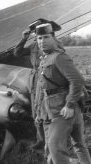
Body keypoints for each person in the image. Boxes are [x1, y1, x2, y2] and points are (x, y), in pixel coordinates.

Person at [34, 22, 91, 164]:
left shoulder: (59, 57)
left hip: (62, 110)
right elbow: (43, 88)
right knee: (77, 145)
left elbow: (77, 80)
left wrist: (70, 105)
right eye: (39, 38)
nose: (42, 41)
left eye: (46, 37)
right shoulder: (45, 59)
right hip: (52, 109)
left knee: (55, 147)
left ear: (53, 38)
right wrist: (38, 112)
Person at [13, 18, 61, 149]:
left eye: (41, 30)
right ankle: (41, 140)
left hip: (47, 78)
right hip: (34, 80)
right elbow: (17, 53)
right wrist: (23, 38)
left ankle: (54, 141)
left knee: (49, 111)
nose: (38, 33)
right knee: (36, 112)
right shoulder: (34, 45)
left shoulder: (54, 44)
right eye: (36, 31)